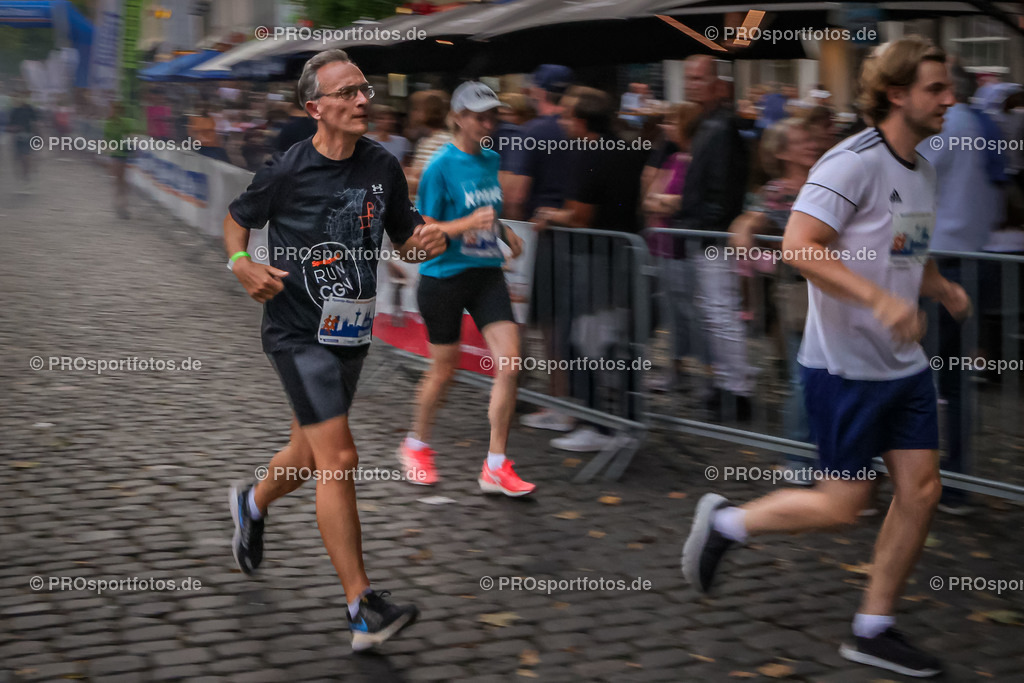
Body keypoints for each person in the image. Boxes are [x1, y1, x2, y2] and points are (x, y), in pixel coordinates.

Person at [682, 36, 969, 678]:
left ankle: (873, 628)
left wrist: (937, 286)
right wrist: (879, 301)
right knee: (844, 505)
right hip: (844, 365)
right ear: (897, 94)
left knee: (921, 491)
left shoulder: (921, 167)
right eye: (935, 88)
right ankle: (728, 522)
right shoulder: (850, 162)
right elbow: (800, 247)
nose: (950, 98)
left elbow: (902, 252)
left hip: (904, 363)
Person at [224, 49, 448, 651]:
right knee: (341, 457)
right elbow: (235, 219)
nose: (361, 101)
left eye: (364, 90)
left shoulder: (381, 165)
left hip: (350, 335)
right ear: (314, 107)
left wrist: (426, 241)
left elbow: (405, 244)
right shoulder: (287, 169)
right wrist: (242, 263)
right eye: (346, 93)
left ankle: (252, 502)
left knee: (307, 452)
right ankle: (361, 606)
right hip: (296, 333)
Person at [397, 81, 533, 496]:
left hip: (486, 274)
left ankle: (495, 465)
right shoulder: (439, 167)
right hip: (444, 279)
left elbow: (485, 215)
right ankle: (415, 445)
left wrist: (504, 231)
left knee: (510, 365)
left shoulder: (491, 159)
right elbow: (424, 232)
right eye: (478, 116)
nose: (487, 122)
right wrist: (466, 226)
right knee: (444, 371)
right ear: (457, 118)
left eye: (492, 115)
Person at [531, 88, 649, 452]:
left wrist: (550, 216)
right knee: (616, 341)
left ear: (582, 122)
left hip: (595, 260)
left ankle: (599, 425)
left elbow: (580, 216)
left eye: (567, 117)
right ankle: (623, 423)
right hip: (625, 254)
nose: (563, 123)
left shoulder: (588, 153)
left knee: (588, 339)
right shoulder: (627, 148)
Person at [917, 63, 1008, 515]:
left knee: (918, 372)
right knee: (955, 379)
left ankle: (921, 478)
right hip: (977, 257)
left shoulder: (946, 126)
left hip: (937, 260)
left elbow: (906, 184)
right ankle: (956, 481)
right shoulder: (985, 124)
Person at [677, 55, 754, 421]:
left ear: (716, 83)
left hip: (713, 234)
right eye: (689, 78)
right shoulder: (710, 123)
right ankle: (730, 382)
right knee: (714, 310)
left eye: (698, 78)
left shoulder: (721, 127)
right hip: (706, 231)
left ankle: (737, 387)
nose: (692, 84)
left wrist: (709, 230)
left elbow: (722, 187)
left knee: (721, 311)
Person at [103, 100, 134, 219]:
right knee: (118, 180)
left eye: (114, 110)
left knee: (121, 181)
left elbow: (128, 137)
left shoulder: (124, 122)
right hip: (115, 154)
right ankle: (120, 205)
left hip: (123, 153)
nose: (112, 112)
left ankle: (122, 205)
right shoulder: (109, 122)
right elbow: (106, 139)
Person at [8, 93, 39, 181]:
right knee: (18, 159)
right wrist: (14, 128)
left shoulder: (29, 108)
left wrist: (38, 135)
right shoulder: (14, 110)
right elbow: (10, 125)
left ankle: (26, 176)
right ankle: (20, 177)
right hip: (17, 137)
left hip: (28, 136)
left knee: (26, 156)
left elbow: (36, 122)